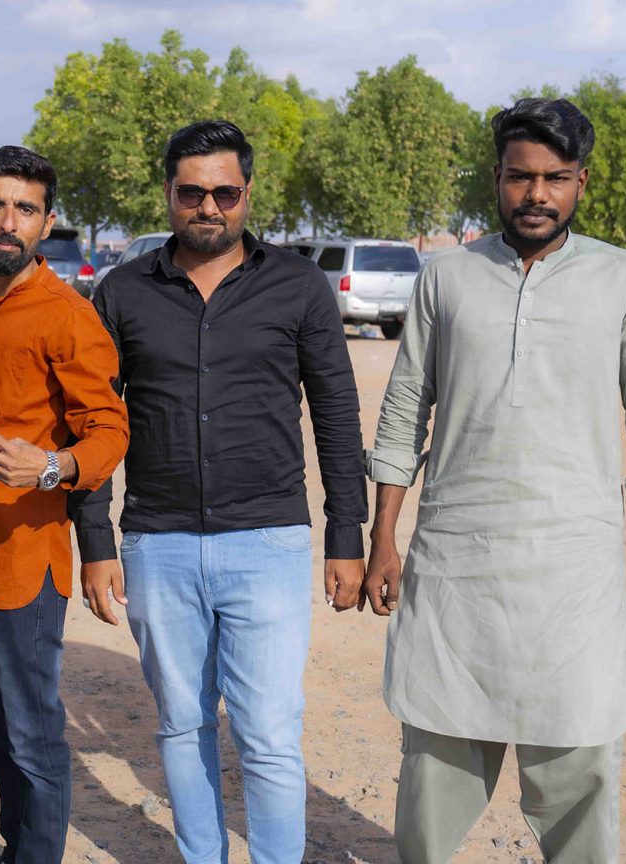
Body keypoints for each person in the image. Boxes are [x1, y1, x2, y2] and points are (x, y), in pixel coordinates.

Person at [363, 97, 626, 863]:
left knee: (582, 768)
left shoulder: (621, 280)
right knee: (433, 770)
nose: (536, 194)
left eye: (555, 178)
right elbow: (404, 410)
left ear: (582, 182)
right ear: (497, 178)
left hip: (574, 571)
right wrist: (383, 536)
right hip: (457, 566)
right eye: (521, 176)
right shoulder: (447, 277)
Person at [77, 120, 368, 864]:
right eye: (192, 192)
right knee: (182, 726)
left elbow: (336, 413)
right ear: (168, 193)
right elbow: (93, 421)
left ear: (247, 193)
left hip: (267, 543)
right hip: (157, 543)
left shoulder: (297, 285)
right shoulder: (123, 292)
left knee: (268, 734)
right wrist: (96, 541)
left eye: (225, 193)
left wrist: (347, 535)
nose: (208, 206)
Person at [0, 145, 129, 864]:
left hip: (21, 566)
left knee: (33, 735)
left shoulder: (67, 316)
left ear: (47, 220)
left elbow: (109, 429)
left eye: (25, 209)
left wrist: (54, 466)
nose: (8, 221)